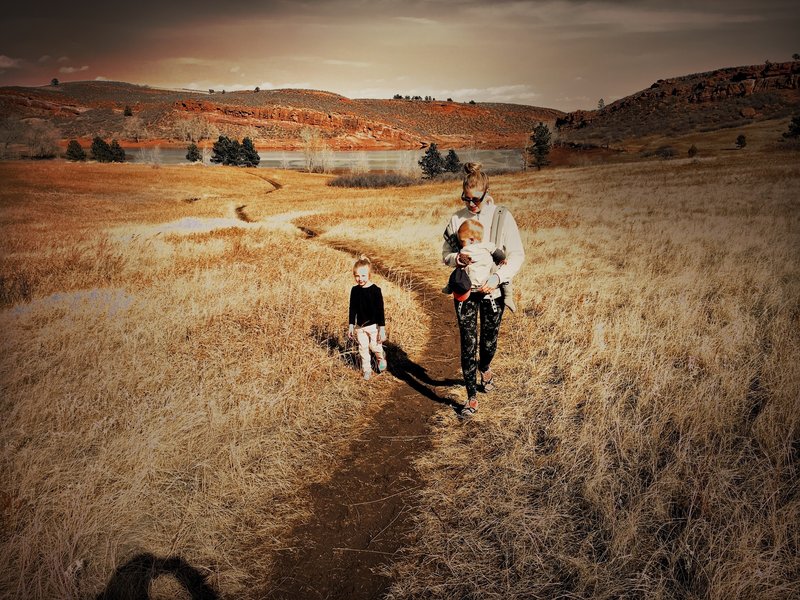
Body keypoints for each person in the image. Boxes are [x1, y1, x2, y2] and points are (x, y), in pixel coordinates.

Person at [441, 162, 524, 417]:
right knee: (468, 343)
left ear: (486, 194)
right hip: (465, 293)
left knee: (488, 342)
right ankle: (471, 398)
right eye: (465, 198)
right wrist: (456, 259)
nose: (470, 204)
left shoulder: (502, 217)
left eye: (475, 199)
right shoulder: (456, 220)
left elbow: (517, 255)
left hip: (493, 293)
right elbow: (445, 253)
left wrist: (498, 278)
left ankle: (485, 368)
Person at [444, 219, 507, 310]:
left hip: (468, 286)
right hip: (484, 285)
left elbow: (449, 260)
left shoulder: (464, 250)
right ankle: (508, 296)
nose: (461, 244)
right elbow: (498, 253)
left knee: (457, 275)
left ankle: (450, 287)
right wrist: (502, 259)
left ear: (472, 240)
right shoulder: (487, 246)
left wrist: (459, 258)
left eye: (462, 241)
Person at [348, 255, 387, 380]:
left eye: (363, 276)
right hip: (360, 327)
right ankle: (367, 370)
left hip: (373, 326)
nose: (360, 279)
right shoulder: (354, 290)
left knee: (374, 346)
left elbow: (380, 311)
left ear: (369, 275)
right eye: (357, 276)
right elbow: (352, 309)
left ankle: (381, 358)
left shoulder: (376, 290)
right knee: (363, 348)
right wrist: (351, 325)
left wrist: (382, 329)